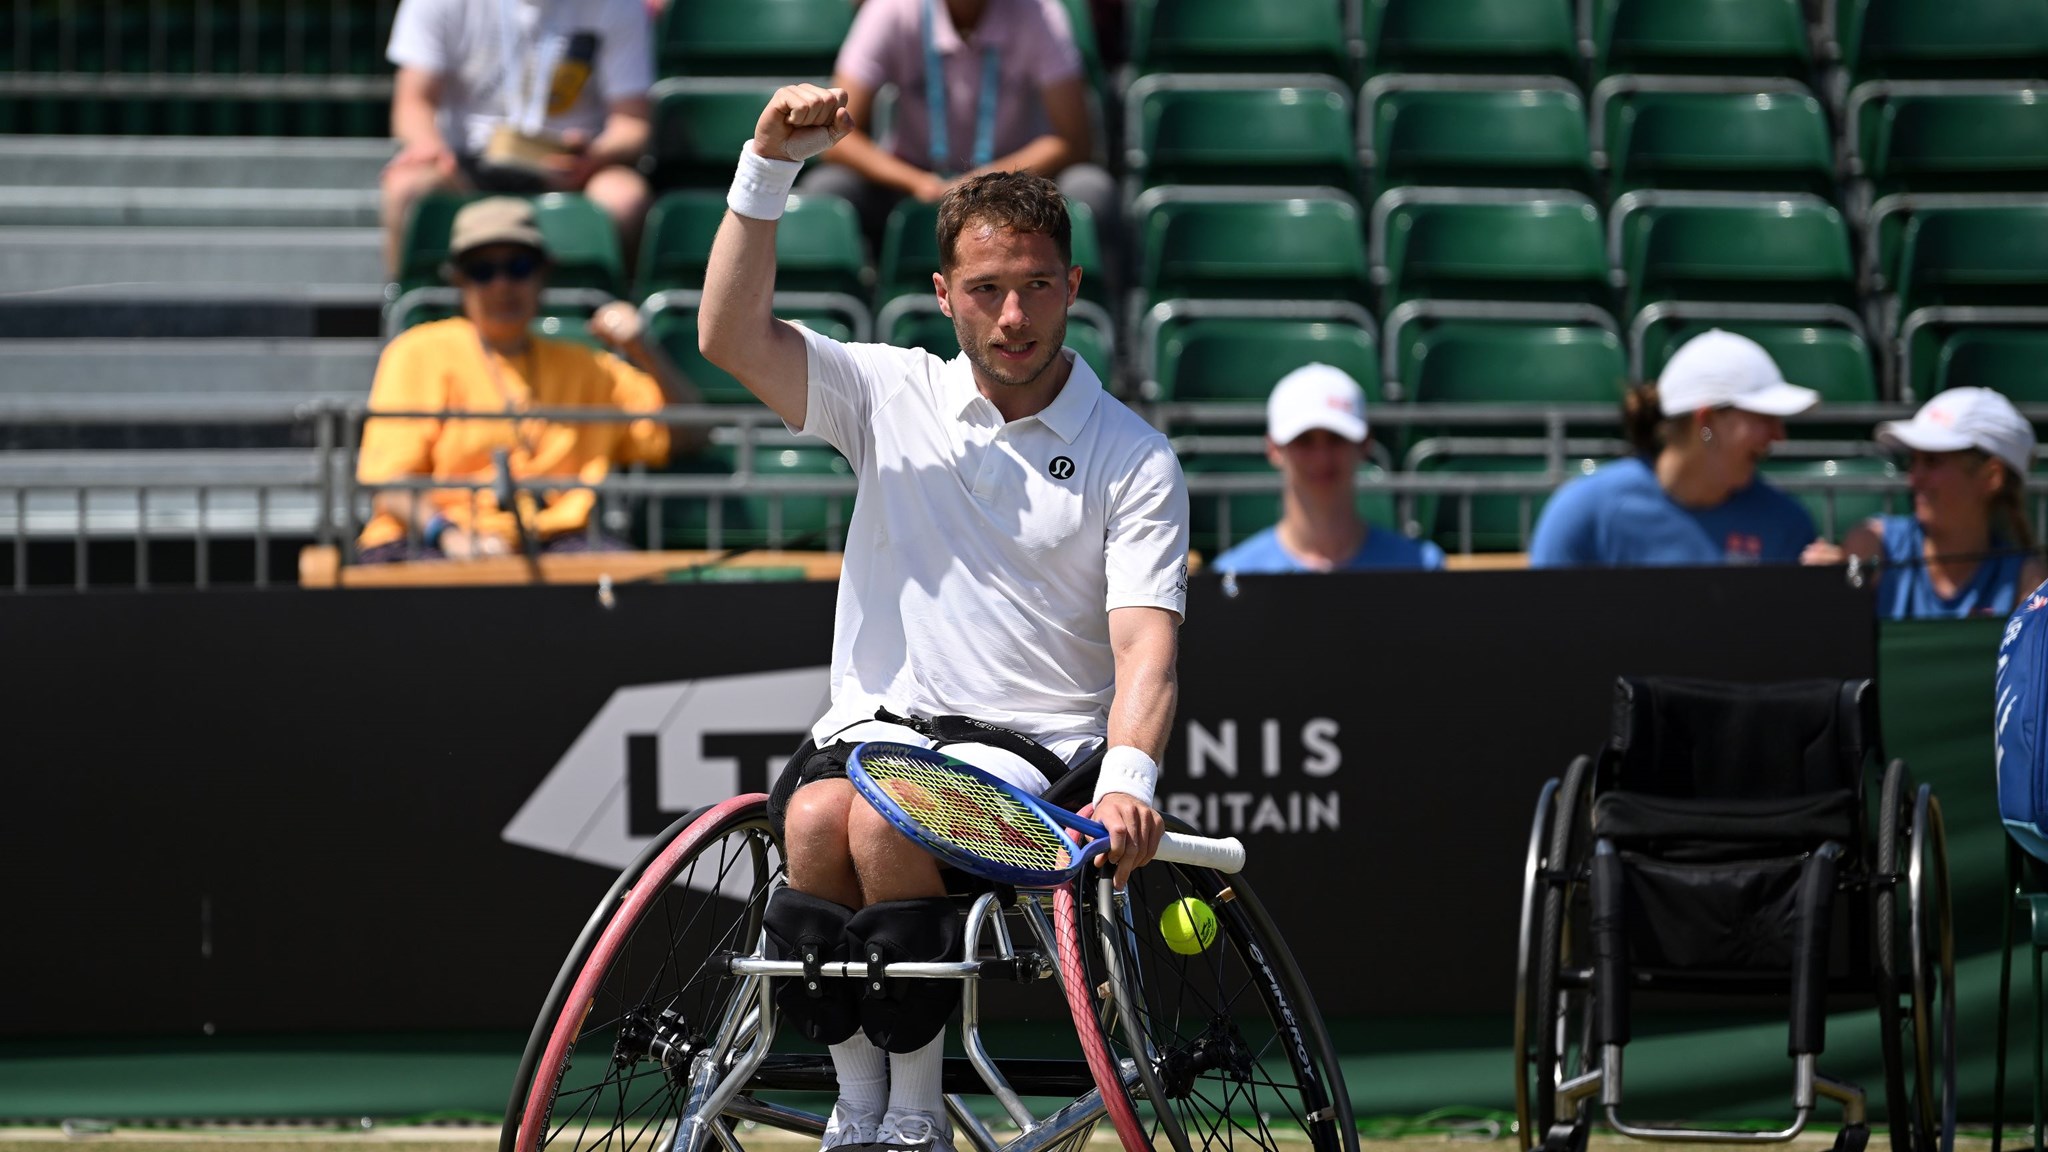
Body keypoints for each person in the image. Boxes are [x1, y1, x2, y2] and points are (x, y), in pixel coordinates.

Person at [699, 86, 1183, 1152]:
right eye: (986, 290)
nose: (1013, 317)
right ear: (943, 294)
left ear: (1071, 287)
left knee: (876, 817)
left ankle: (913, 1114)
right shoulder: (885, 392)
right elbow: (728, 334)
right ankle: (855, 1104)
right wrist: (765, 167)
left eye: (1035, 287)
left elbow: (1144, 648)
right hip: (875, 736)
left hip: (1031, 761)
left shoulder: (1134, 456)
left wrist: (1128, 780)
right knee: (819, 819)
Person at [355, 197, 698, 564]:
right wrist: (449, 534)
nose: (502, 285)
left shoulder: (588, 367)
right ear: (458, 280)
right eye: (482, 271)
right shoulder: (418, 352)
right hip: (429, 538)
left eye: (518, 267)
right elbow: (391, 480)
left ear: (543, 274)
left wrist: (643, 348)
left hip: (557, 540)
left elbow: (692, 434)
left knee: (629, 586)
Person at [798, 0, 1116, 259]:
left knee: (1091, 191)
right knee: (828, 188)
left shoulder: (1040, 12)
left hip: (1017, 185)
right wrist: (918, 182)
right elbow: (835, 135)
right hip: (913, 183)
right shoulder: (890, 9)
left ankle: (1085, 322)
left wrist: (985, 179)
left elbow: (1074, 140)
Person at [381, 0, 654, 276]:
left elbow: (632, 122)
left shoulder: (618, 5)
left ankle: (617, 312)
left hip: (573, 170)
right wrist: (431, 147)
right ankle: (410, 311)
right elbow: (413, 102)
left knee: (625, 199)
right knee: (407, 187)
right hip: (466, 166)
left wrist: (596, 154)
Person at [1528, 329, 1821, 568]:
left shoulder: (1787, 524)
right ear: (1706, 424)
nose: (1779, 435)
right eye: (1763, 417)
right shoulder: (1584, 512)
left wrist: (1834, 587)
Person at [1801, 387, 2045, 618]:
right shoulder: (1871, 543)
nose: (1913, 478)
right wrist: (1829, 582)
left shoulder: (2028, 580)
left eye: (1932, 461)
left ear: (1991, 477)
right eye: (1913, 461)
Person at [1210, 363, 1445, 573]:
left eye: (1336, 438)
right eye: (1304, 441)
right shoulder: (1234, 574)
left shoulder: (1420, 566)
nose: (1321, 458)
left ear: (1365, 444)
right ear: (1274, 449)